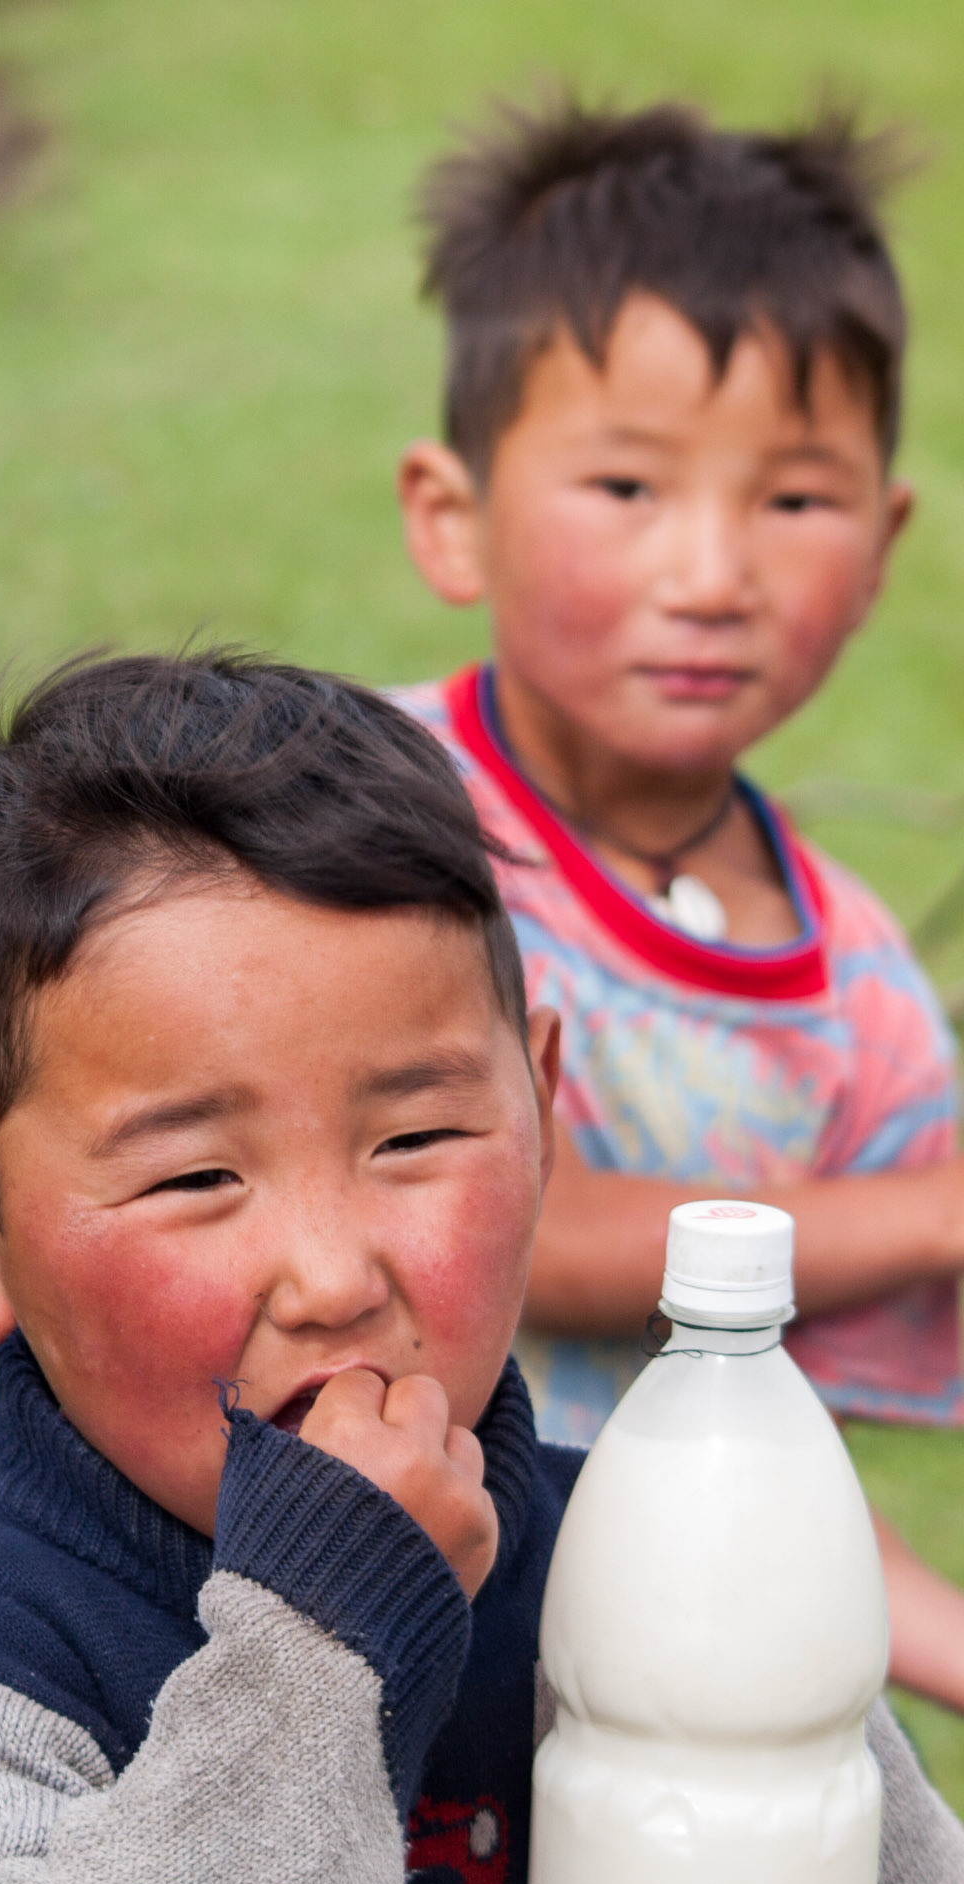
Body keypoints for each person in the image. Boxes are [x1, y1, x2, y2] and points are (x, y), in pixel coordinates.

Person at [0, 650, 964, 1884]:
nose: (336, 1277)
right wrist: (325, 1638)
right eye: (193, 1180)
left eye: (416, 1141)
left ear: (541, 1102)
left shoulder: (666, 1548)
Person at [392, 99, 964, 1712]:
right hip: (316, 1647)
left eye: (793, 500)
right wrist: (931, 1215)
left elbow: (794, 1488)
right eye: (629, 487)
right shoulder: (362, 834)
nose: (713, 571)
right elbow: (520, 1225)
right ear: (453, 513)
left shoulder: (862, 1014)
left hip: (648, 1712)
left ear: (885, 540)